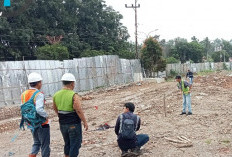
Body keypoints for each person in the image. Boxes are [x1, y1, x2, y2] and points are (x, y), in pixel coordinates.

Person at [53, 73, 88, 157]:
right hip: (73, 124)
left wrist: (62, 117)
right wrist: (85, 122)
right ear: (72, 83)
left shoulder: (56, 95)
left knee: (67, 143)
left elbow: (55, 108)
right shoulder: (74, 95)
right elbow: (78, 110)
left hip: (62, 124)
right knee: (75, 144)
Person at [21, 72, 50, 157]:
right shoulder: (39, 94)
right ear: (38, 83)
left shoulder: (24, 94)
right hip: (42, 123)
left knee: (36, 142)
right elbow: (39, 109)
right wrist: (46, 115)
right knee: (45, 145)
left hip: (30, 122)